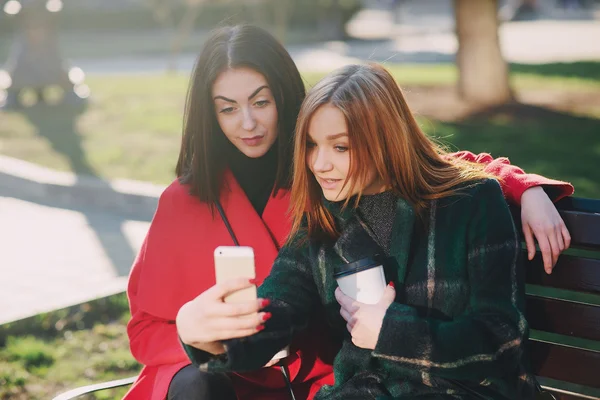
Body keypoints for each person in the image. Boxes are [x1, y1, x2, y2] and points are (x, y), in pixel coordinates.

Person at [126, 25, 573, 400]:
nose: (320, 163)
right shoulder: (321, 219)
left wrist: (391, 331)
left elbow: (502, 339)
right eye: (312, 146)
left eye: (339, 146)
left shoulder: (471, 205)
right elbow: (279, 305)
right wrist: (209, 337)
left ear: (383, 140)